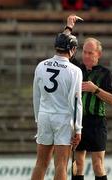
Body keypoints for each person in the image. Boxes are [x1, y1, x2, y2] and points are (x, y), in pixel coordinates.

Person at [31, 14, 83, 180]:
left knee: (41, 163)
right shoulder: (75, 70)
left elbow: (36, 96)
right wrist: (78, 128)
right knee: (61, 164)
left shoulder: (41, 65)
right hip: (63, 118)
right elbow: (76, 102)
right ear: (72, 49)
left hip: (44, 116)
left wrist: (38, 120)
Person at [72, 37, 112, 180]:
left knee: (97, 164)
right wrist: (69, 27)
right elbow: (64, 48)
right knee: (77, 164)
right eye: (84, 52)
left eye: (90, 53)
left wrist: (95, 89)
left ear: (98, 54)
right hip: (78, 122)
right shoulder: (76, 69)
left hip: (97, 123)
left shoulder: (105, 73)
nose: (86, 56)